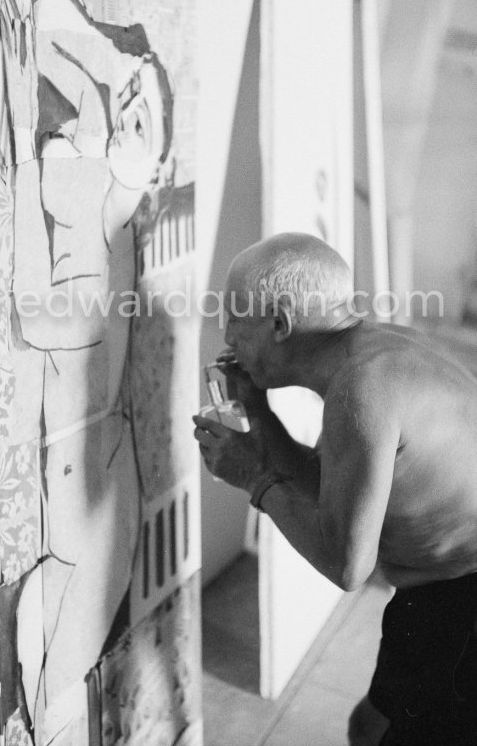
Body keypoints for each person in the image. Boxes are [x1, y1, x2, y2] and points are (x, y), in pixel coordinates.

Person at [193, 232, 477, 746]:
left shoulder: (360, 390)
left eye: (234, 317)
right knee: (367, 725)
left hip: (463, 601)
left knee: (376, 733)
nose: (228, 338)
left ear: (279, 323)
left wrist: (255, 478)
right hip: (452, 586)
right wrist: (257, 416)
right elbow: (335, 489)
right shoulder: (373, 351)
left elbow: (348, 566)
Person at [0, 0, 173, 743]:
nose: (125, 116)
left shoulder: (110, 198)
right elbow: (61, 45)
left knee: (53, 671)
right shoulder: (97, 165)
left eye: (147, 118)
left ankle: (47, 724)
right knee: (47, 651)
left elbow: (42, 319)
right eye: (131, 103)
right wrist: (38, 59)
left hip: (94, 457)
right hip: (92, 454)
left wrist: (28, 88)